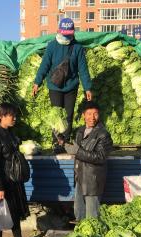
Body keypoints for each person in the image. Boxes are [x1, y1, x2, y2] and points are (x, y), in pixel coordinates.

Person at [32, 18, 92, 152]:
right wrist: (37, 82)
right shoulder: (52, 46)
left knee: (68, 115)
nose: (66, 37)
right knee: (56, 115)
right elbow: (45, 65)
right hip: (55, 87)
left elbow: (83, 69)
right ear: (59, 31)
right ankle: (56, 142)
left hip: (71, 86)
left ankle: (64, 140)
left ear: (72, 33)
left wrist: (88, 87)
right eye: (64, 34)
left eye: (68, 34)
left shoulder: (77, 48)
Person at [0, 103, 32, 237]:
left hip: (14, 179)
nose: (15, 118)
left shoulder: (9, 131)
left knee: (16, 210)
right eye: (11, 115)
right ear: (2, 116)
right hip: (3, 180)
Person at [64, 101, 113, 221]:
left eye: (95, 114)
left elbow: (100, 157)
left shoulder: (103, 135)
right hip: (79, 177)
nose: (92, 117)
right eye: (89, 114)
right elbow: (76, 150)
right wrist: (62, 142)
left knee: (92, 216)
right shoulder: (80, 131)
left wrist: (77, 151)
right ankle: (81, 236)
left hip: (92, 180)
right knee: (79, 213)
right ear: (83, 115)